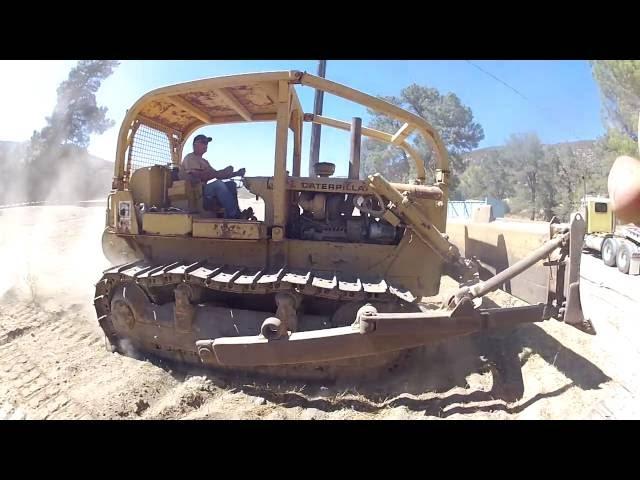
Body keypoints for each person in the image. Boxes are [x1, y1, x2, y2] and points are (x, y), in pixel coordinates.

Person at [180, 134, 247, 219]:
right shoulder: (190, 158)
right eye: (203, 142)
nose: (206, 145)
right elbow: (200, 176)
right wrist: (223, 172)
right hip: (196, 191)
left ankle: (235, 213)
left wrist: (235, 173)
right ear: (195, 144)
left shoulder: (204, 161)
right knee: (218, 184)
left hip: (204, 190)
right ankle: (233, 215)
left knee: (231, 184)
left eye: (207, 143)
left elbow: (216, 174)